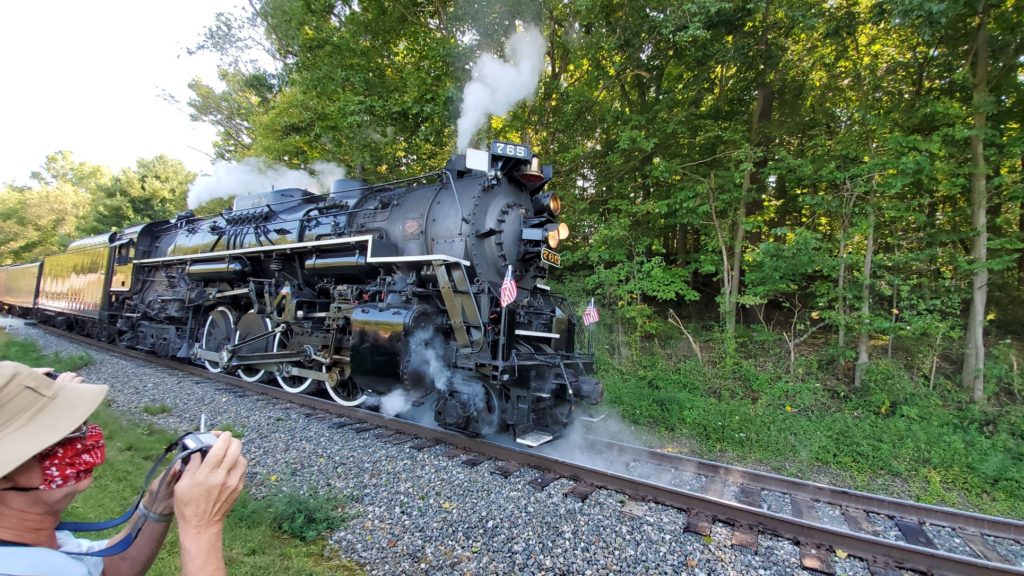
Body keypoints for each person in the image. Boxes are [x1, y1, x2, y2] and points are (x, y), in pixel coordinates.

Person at [0, 361, 248, 576]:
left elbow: (110, 569)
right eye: (63, 433)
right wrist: (201, 527)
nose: (85, 438)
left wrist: (158, 502)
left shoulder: (29, 541)